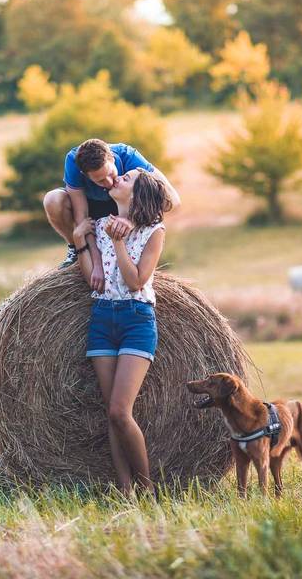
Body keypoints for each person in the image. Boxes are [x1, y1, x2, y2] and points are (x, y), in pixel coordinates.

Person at [71, 168, 172, 495]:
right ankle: (126, 491)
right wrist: (81, 245)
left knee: (119, 410)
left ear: (138, 194)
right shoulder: (100, 226)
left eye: (126, 179)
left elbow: (136, 281)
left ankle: (147, 488)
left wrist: (118, 244)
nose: (117, 180)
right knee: (111, 414)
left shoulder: (154, 232)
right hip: (102, 318)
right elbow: (93, 280)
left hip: (136, 320)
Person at [43, 139, 180, 291]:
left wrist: (132, 220)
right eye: (100, 180)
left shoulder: (129, 156)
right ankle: (75, 250)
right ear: (85, 175)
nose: (108, 183)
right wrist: (96, 263)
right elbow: (82, 218)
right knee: (52, 200)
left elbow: (172, 200)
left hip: (123, 205)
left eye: (110, 174)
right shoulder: (73, 162)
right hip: (92, 210)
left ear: (112, 159)